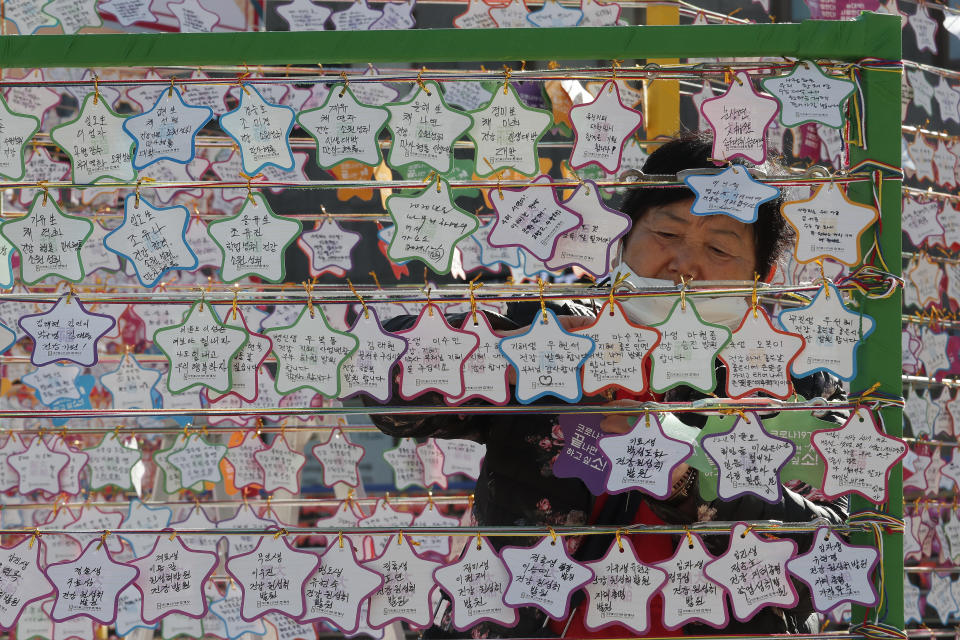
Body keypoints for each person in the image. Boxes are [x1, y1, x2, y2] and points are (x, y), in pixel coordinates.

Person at [369, 133, 847, 638]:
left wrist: (687, 477)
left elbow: (832, 558)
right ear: (624, 238)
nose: (685, 264)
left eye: (719, 247)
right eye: (666, 233)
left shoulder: (794, 383)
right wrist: (515, 358)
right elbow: (386, 389)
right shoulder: (552, 328)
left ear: (761, 276)